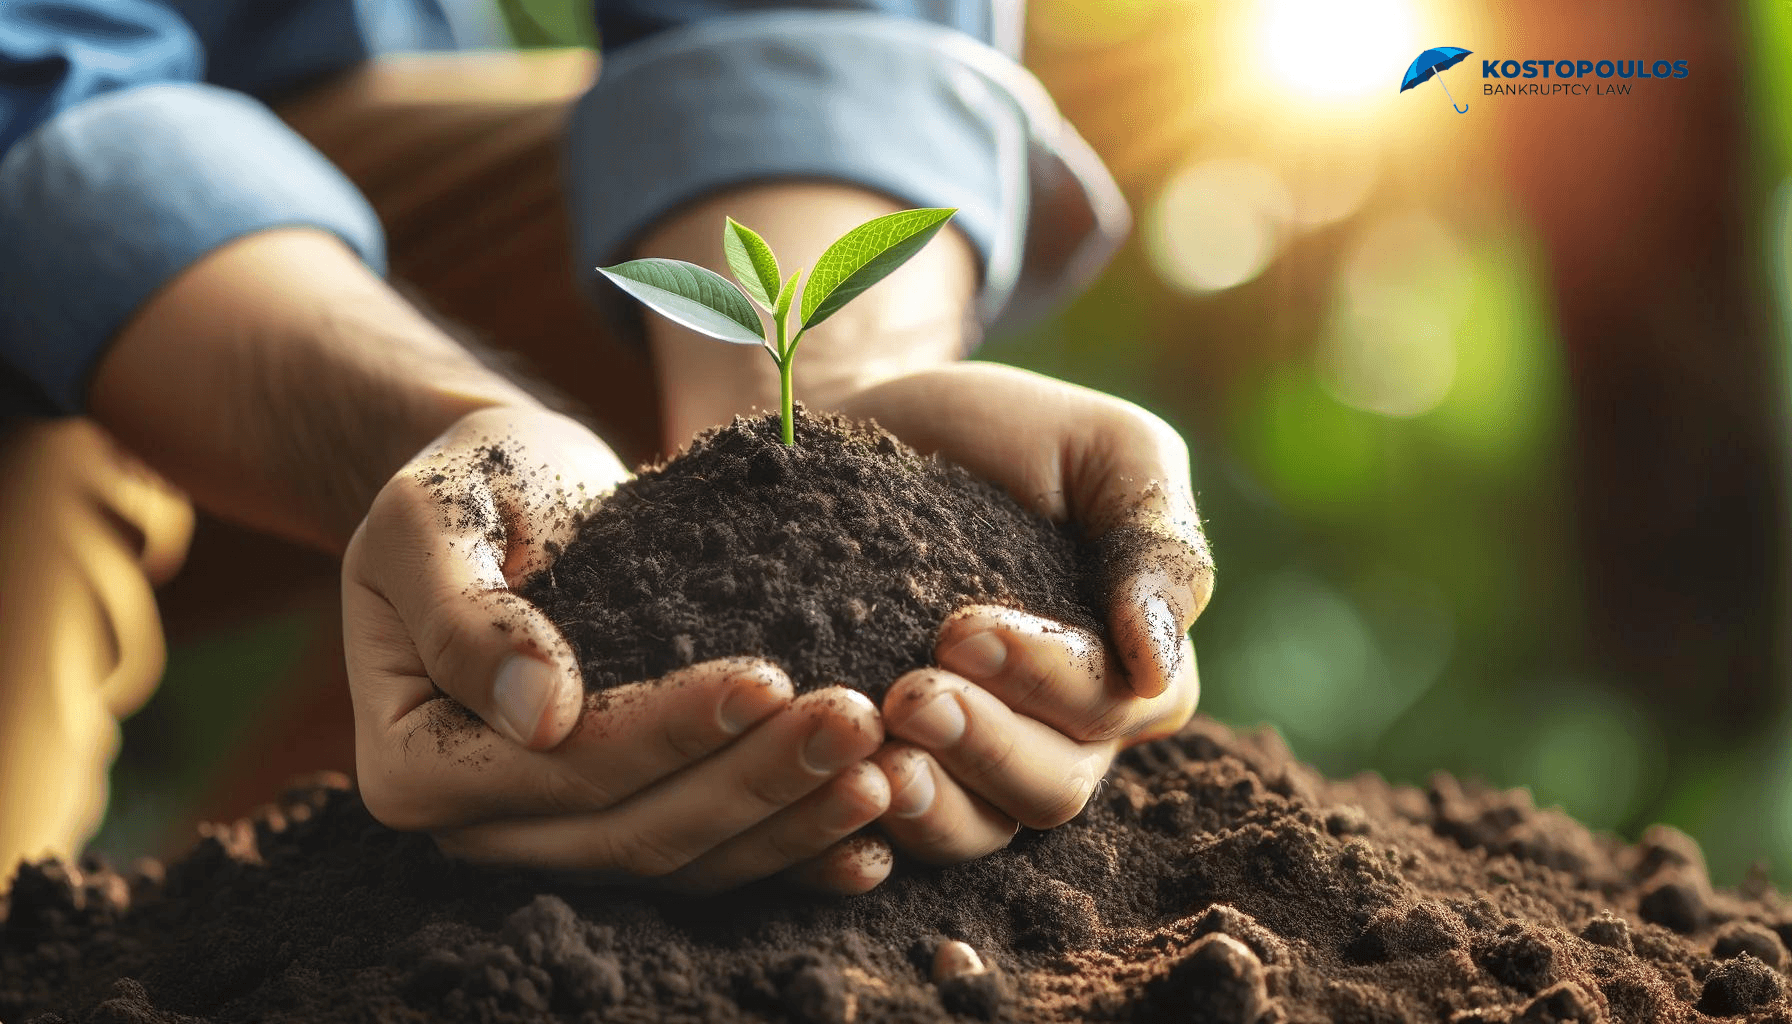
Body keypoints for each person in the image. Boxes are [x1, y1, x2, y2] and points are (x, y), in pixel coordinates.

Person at [0, 0, 1213, 894]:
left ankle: (355, 908)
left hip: (310, 127)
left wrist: (845, 388)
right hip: (48, 160)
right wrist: (426, 431)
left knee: (648, 225)